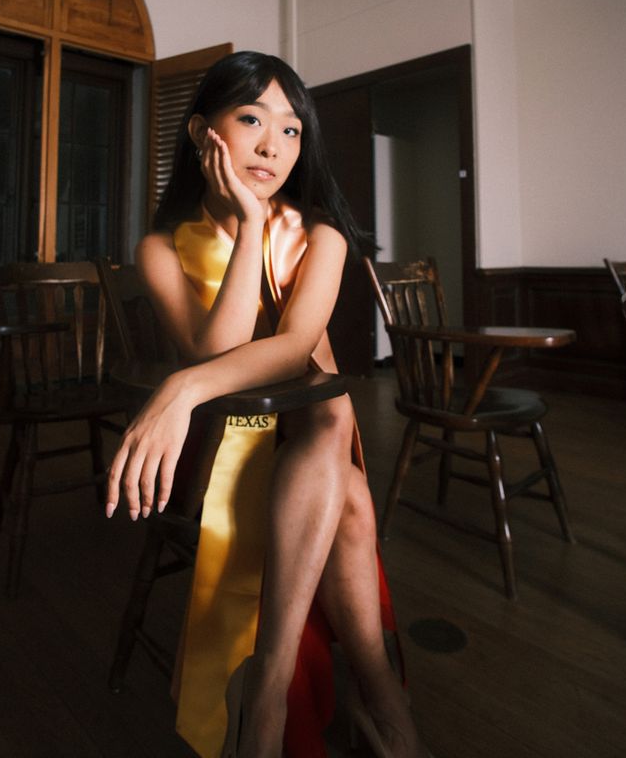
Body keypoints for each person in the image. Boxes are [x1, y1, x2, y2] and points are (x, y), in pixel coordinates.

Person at [106, 52, 427, 758]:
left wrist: (179, 389)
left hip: (307, 432)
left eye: (291, 129)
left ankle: (268, 697)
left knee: (326, 431)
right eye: (251, 118)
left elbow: (292, 349)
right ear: (201, 133)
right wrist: (250, 228)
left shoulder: (323, 234)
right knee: (340, 472)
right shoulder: (161, 247)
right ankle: (383, 703)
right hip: (225, 441)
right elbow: (215, 354)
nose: (272, 146)